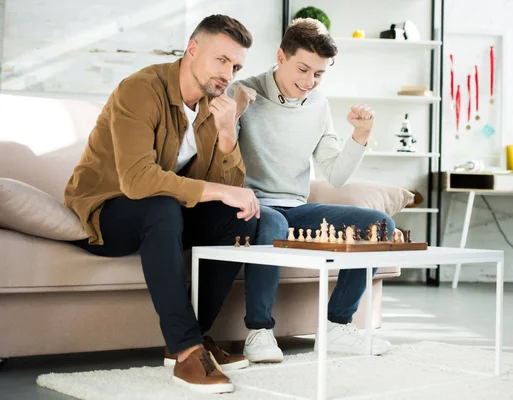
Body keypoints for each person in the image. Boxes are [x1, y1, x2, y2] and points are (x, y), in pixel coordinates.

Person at [65, 14, 260, 394]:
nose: (229, 73)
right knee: (162, 206)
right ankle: (188, 352)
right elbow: (137, 181)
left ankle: (190, 340)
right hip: (104, 210)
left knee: (240, 218)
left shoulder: (212, 106)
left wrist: (225, 134)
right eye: (221, 60)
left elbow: (226, 189)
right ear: (192, 50)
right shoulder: (141, 89)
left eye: (236, 66)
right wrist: (219, 191)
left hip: (161, 214)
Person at [230, 18, 395, 363]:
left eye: (318, 74)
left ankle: (337, 326)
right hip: (252, 206)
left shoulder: (319, 105)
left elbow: (334, 174)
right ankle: (258, 331)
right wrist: (235, 113)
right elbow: (217, 152)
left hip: (297, 208)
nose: (309, 82)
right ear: (281, 56)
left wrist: (360, 135)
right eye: (303, 69)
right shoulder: (242, 92)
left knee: (380, 226)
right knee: (273, 225)